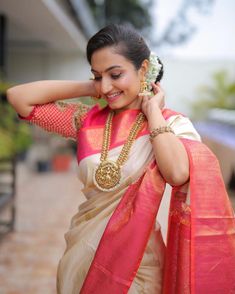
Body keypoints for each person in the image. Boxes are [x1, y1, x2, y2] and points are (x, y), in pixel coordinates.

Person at [7, 24, 235, 294]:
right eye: (96, 75)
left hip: (139, 263)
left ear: (143, 69)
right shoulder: (86, 121)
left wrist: (153, 113)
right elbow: (18, 97)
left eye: (115, 74)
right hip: (82, 255)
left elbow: (177, 174)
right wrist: (95, 87)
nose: (105, 85)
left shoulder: (172, 123)